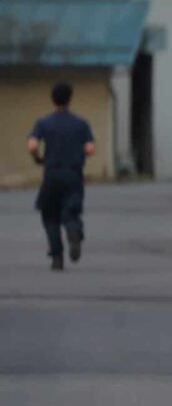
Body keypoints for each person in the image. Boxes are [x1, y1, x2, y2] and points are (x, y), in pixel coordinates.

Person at [27, 82, 95, 271]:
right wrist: (78, 154)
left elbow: (32, 145)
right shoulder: (81, 124)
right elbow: (90, 149)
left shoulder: (43, 122)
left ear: (52, 99)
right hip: (73, 174)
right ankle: (74, 231)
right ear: (70, 99)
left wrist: (38, 158)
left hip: (51, 175)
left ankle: (57, 257)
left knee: (50, 216)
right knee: (71, 211)